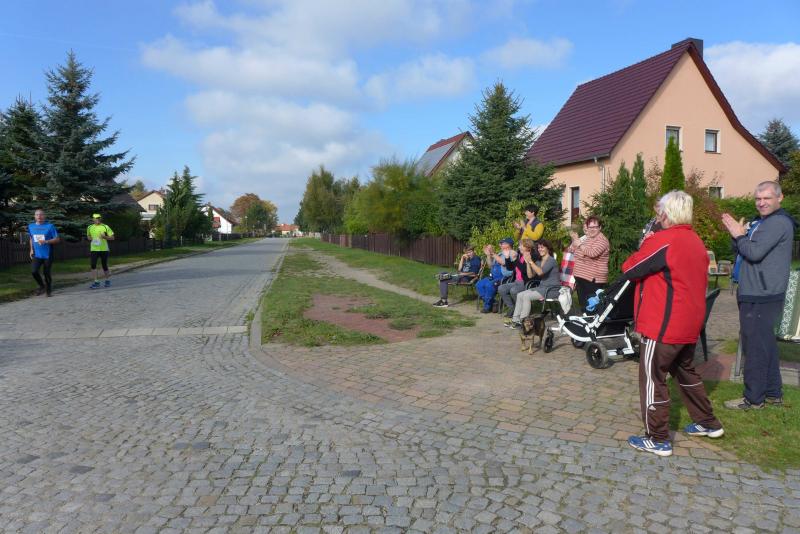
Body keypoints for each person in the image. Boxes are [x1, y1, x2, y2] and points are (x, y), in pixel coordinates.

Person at [622, 190, 723, 457]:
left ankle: (657, 438)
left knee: (652, 378)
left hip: (663, 325)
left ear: (667, 214)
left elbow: (630, 268)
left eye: (659, 212)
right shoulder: (696, 241)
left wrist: (645, 243)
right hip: (688, 323)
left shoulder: (663, 240)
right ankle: (708, 422)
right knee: (686, 372)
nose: (658, 217)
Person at [721, 181, 797, 410]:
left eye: (767, 198)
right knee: (765, 345)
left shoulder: (777, 223)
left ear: (779, 198)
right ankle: (773, 393)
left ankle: (753, 399)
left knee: (754, 347)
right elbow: (743, 250)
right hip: (757, 291)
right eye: (758, 199)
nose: (761, 203)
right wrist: (739, 237)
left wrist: (739, 235)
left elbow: (753, 252)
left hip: (763, 293)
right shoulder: (762, 222)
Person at [508, 240, 560, 328]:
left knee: (526, 296)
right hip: (542, 288)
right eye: (539, 247)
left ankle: (523, 321)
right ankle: (515, 320)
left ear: (548, 248)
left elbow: (540, 272)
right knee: (520, 295)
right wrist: (528, 263)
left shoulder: (551, 260)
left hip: (552, 289)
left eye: (542, 247)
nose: (540, 249)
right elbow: (530, 275)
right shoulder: (539, 261)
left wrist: (531, 262)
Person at [568, 216, 610, 306]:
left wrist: (580, 245)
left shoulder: (602, 240)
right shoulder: (588, 238)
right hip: (581, 277)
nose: (592, 229)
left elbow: (592, 253)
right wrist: (576, 241)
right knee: (584, 305)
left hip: (592, 279)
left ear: (600, 227)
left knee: (593, 305)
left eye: (595, 227)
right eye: (590, 227)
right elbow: (575, 252)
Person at [498, 238, 536, 316]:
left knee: (514, 291)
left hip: (526, 282)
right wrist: (507, 258)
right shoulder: (519, 255)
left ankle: (524, 309)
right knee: (501, 288)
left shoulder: (532, 256)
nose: (519, 247)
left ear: (527, 247)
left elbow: (525, 271)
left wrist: (515, 259)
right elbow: (510, 268)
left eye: (521, 245)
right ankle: (513, 308)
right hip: (517, 281)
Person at [476, 239, 515, 313]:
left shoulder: (512, 253)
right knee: (479, 284)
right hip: (493, 277)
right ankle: (493, 302)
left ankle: (487, 306)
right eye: (501, 243)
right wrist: (488, 255)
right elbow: (490, 266)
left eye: (503, 243)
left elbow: (504, 263)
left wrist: (493, 253)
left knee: (489, 285)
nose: (500, 245)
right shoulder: (499, 254)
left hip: (503, 278)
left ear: (509, 245)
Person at [28, 209, 61, 297]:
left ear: (44, 216)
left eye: (41, 214)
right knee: (34, 271)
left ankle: (48, 290)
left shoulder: (50, 226)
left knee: (46, 272)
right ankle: (42, 286)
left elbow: (57, 239)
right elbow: (31, 238)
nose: (39, 216)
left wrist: (46, 241)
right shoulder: (31, 226)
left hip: (47, 254)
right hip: (37, 254)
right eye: (37, 215)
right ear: (34, 216)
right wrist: (31, 249)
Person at [87, 213, 115, 289]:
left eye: (99, 218)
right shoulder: (90, 227)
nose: (97, 220)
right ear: (93, 219)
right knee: (93, 265)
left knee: (104, 265)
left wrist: (104, 237)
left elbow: (112, 238)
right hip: (94, 249)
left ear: (100, 218)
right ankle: (96, 282)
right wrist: (91, 239)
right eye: (96, 218)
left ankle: (107, 280)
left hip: (104, 249)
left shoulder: (105, 226)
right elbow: (88, 236)